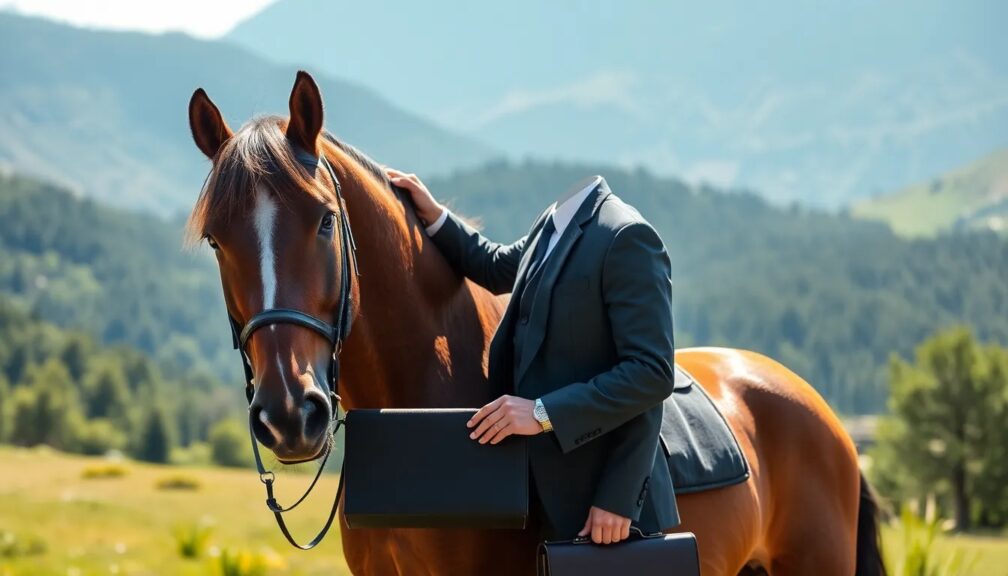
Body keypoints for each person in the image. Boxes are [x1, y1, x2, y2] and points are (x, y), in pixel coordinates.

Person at [388, 169, 678, 545]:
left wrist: (543, 414)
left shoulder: (627, 236)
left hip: (593, 497)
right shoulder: (553, 223)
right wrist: (435, 215)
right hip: (531, 482)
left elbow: (650, 373)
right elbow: (494, 265)